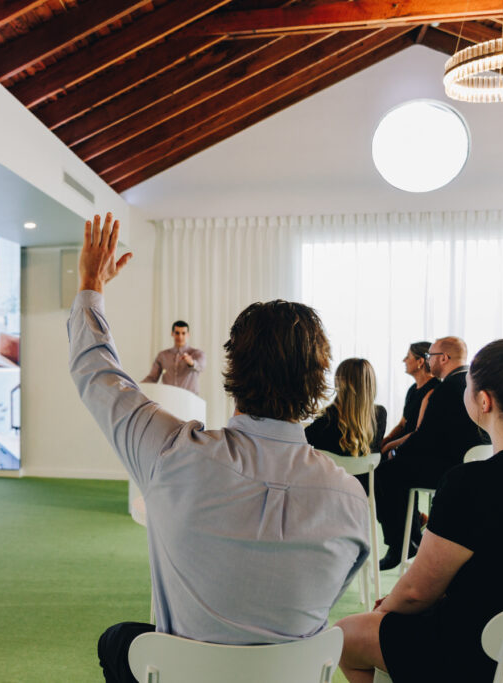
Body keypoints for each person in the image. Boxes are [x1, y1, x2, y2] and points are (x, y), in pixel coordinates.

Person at [69, 213, 369, 683]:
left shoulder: (170, 451)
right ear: (318, 384)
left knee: (119, 641)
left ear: (232, 374)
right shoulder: (351, 500)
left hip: (183, 674)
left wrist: (91, 284)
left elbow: (97, 372)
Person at [336, 339, 503, 682]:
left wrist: (384, 610)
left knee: (345, 635)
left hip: (483, 658)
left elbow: (415, 594)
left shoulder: (471, 483)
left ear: (484, 401)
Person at [373, 337, 488, 570]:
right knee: (396, 467)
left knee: (386, 473)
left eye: (430, 357)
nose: (428, 361)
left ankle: (400, 545)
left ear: (444, 358)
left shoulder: (445, 389)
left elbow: (424, 437)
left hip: (449, 469)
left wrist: (395, 451)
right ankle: (413, 532)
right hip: (476, 465)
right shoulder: (475, 382)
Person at [304, 358, 387, 459]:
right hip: (365, 475)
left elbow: (303, 440)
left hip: (332, 475)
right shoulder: (380, 414)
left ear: (340, 384)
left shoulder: (327, 417)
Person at [378, 342, 439, 458]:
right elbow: (402, 424)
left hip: (415, 449)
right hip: (402, 444)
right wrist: (386, 439)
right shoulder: (412, 389)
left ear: (420, 362)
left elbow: (418, 433)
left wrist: (388, 446)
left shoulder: (434, 390)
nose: (404, 360)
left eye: (408, 356)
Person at [141, 320, 206, 395]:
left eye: (183, 333)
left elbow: (201, 367)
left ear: (188, 334)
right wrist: (137, 386)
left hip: (189, 400)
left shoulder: (197, 354)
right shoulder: (162, 355)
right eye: (177, 333)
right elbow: (152, 378)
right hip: (168, 398)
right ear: (172, 334)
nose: (180, 336)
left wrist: (191, 363)